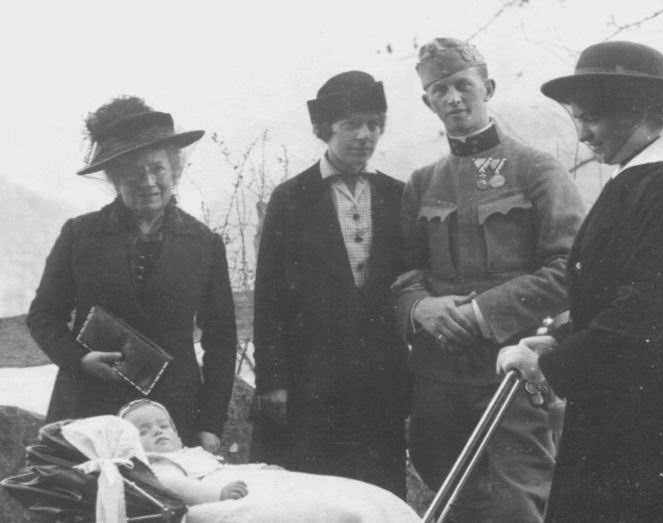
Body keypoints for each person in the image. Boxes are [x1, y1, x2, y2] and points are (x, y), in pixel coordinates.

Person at [497, 41, 663, 522]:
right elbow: (612, 300)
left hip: (661, 423)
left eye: (593, 118)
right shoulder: (635, 179)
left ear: (639, 112)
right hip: (627, 409)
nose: (584, 134)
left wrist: (551, 363)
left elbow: (642, 313)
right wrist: (554, 341)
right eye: (578, 118)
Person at [393, 37, 585, 522]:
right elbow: (403, 273)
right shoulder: (421, 182)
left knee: (518, 499)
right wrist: (421, 308)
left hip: (514, 369)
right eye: (440, 90)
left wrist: (481, 314)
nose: (453, 98)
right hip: (439, 375)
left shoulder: (536, 169)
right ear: (427, 101)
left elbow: (572, 271)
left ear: (488, 87)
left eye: (463, 85)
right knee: (450, 492)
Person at [27, 96, 237, 452]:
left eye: (157, 168)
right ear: (113, 177)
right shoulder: (79, 235)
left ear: (175, 170)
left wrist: (210, 424)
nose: (148, 181)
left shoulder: (203, 244)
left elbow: (221, 339)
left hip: (169, 419)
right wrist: (79, 359)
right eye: (132, 172)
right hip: (88, 410)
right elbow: (43, 316)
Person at [250, 71, 411, 497]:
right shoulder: (291, 198)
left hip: (381, 378)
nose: (365, 135)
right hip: (312, 379)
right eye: (351, 124)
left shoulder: (398, 195)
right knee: (319, 491)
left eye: (374, 124)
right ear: (324, 130)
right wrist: (273, 380)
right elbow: (268, 297)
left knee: (380, 492)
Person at [118, 399, 421, 523]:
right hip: (221, 495)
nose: (156, 433)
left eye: (162, 426)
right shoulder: (156, 465)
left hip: (249, 480)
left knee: (334, 489)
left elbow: (229, 468)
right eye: (143, 431)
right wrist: (215, 495)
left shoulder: (193, 454)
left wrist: (262, 468)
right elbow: (174, 486)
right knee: (321, 509)